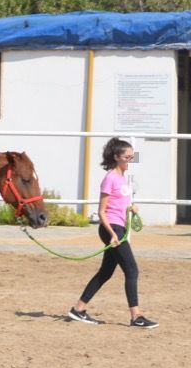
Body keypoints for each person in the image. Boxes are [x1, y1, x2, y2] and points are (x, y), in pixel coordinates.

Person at [68, 138, 158, 328]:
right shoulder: (110, 178)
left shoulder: (123, 178)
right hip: (112, 229)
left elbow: (119, 203)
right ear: (117, 157)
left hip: (120, 227)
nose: (129, 160)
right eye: (127, 157)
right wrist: (113, 234)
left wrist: (131, 208)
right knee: (132, 270)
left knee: (106, 272)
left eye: (132, 157)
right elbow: (102, 211)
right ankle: (136, 317)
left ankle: (78, 309)